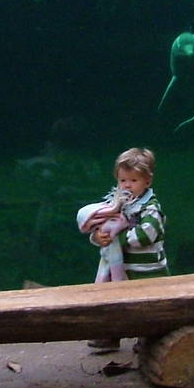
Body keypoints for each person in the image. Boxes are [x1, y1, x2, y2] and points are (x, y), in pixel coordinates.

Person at [78, 147, 167, 351]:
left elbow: (145, 236)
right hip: (117, 267)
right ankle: (110, 335)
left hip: (146, 270)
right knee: (111, 302)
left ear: (147, 181)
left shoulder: (150, 208)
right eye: (122, 180)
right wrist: (98, 237)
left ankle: (148, 338)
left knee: (147, 307)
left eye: (133, 181)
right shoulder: (117, 203)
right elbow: (103, 225)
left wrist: (118, 236)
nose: (127, 185)